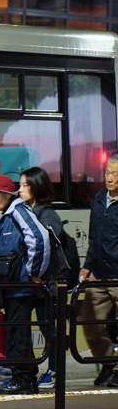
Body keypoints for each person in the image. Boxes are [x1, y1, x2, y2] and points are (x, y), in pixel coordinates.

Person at [0, 174, 51, 395]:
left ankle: (22, 379)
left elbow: (40, 238)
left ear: (6, 194)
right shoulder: (7, 216)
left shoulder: (18, 212)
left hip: (21, 285)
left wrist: (33, 273)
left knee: (18, 330)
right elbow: (2, 256)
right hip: (14, 285)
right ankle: (25, 377)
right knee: (16, 330)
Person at [18, 166, 67, 389]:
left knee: (49, 329)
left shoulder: (47, 214)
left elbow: (43, 246)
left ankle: (56, 372)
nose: (20, 189)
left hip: (48, 283)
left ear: (37, 186)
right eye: (20, 185)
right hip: (36, 284)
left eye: (25, 185)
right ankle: (29, 370)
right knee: (37, 325)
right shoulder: (29, 211)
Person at [80, 154, 118, 387]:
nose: (110, 178)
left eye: (115, 174)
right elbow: (93, 235)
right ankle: (108, 363)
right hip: (99, 273)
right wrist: (87, 265)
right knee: (88, 321)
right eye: (107, 173)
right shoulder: (99, 198)